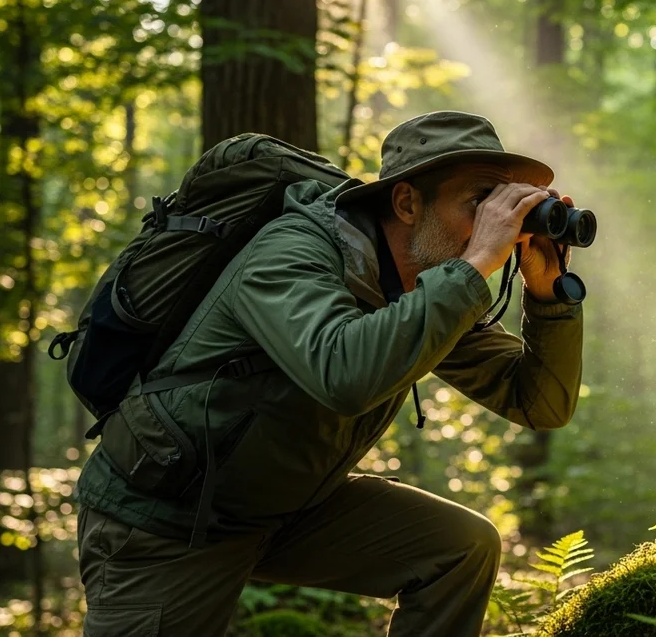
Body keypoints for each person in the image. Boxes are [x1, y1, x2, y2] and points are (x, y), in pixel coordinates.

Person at [73, 111, 585, 636]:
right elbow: (345, 376)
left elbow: (540, 403)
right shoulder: (293, 252)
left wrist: (548, 297)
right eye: (478, 202)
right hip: (167, 518)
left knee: (460, 549)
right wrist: (474, 265)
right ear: (407, 203)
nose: (493, 227)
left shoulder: (426, 284)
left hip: (286, 506)